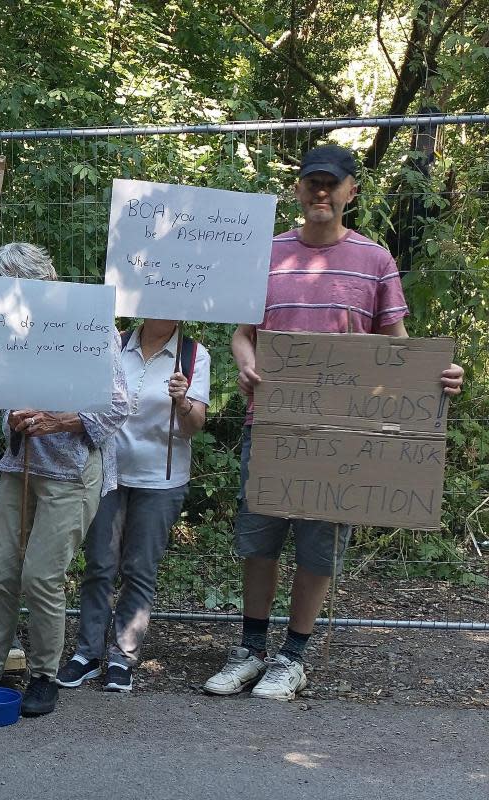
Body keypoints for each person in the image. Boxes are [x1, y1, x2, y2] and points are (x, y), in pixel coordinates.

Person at [203, 143, 464, 701]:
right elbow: (242, 333)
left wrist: (437, 377)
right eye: (312, 182)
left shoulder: (375, 261)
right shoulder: (265, 254)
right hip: (270, 425)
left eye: (332, 183)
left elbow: (397, 348)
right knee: (259, 541)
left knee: (318, 547)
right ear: (298, 189)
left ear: (351, 191)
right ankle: (250, 650)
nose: (321, 192)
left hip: (344, 434)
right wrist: (245, 362)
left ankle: (292, 657)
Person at [0, 242, 129, 717]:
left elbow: (117, 406)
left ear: (38, 283)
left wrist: (57, 421)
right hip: (21, 465)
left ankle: (45, 675)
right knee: (1, 570)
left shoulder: (90, 327)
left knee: (41, 576)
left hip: (71, 471)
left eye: (10, 288)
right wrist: (13, 418)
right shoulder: (6, 330)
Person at [57, 319, 210, 693]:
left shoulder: (193, 355)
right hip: (108, 472)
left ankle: (122, 657)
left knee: (139, 569)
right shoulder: (115, 342)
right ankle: (87, 654)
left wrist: (183, 401)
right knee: (99, 565)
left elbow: (195, 426)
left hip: (161, 480)